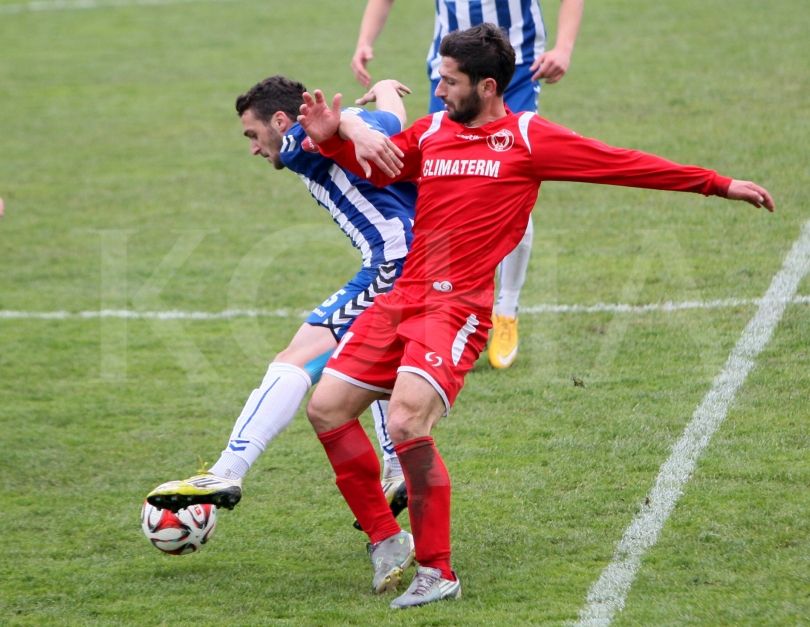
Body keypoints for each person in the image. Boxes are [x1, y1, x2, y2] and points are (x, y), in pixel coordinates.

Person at [298, 23, 774, 609]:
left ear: (488, 86)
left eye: (449, 82)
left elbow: (620, 163)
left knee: (404, 424)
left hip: (456, 308)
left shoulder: (527, 138)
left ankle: (438, 570)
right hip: (403, 297)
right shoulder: (435, 130)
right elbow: (384, 169)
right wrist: (333, 141)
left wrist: (716, 185)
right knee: (325, 409)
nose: (438, 91)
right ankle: (385, 538)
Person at [146, 77, 418, 574]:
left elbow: (325, 131)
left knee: (294, 359)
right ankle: (396, 474)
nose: (254, 148)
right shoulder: (369, 125)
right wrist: (382, 89)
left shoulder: (296, 142)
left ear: (279, 121)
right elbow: (393, 118)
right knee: (369, 366)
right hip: (420, 263)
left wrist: (348, 124)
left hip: (393, 267)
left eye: (253, 135)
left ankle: (228, 470)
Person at [351, 0, 585, 369]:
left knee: (509, 178)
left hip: (518, 66)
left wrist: (564, 48)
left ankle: (506, 310)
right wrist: (365, 39)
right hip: (450, 68)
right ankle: (437, 305)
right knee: (438, 185)